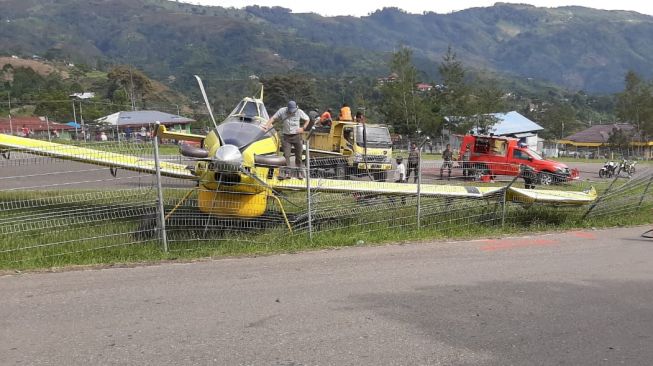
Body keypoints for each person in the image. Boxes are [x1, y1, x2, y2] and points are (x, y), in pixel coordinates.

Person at [264, 100, 311, 179]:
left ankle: (299, 173)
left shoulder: (299, 112)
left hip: (297, 136)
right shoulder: (282, 111)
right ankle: (287, 173)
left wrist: (303, 128)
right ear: (287, 108)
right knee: (286, 155)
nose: (291, 112)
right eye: (290, 110)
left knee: (299, 155)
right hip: (287, 137)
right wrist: (266, 125)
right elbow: (273, 118)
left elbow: (307, 119)